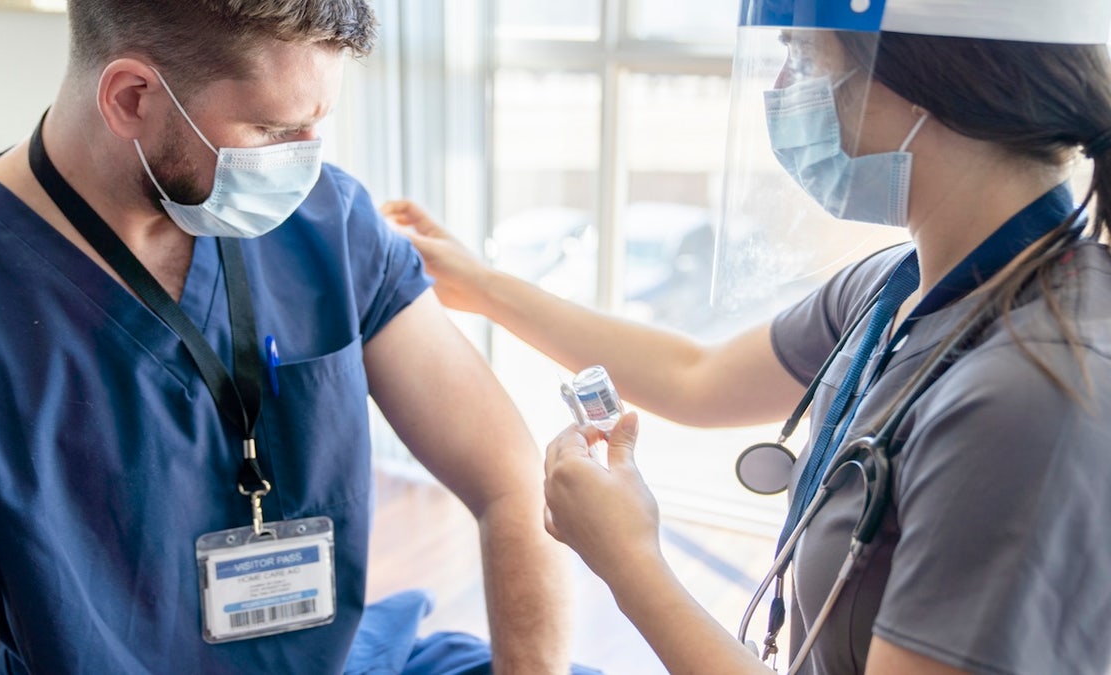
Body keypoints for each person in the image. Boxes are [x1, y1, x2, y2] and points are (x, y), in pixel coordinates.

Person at [382, 0, 1111, 672]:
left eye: (805, 55)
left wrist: (630, 561)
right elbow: (693, 374)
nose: (788, 85)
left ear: (920, 75)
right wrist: (479, 285)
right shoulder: (899, 286)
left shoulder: (1030, 396)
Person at [0, 1, 586, 673]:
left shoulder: (331, 224)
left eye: (317, 125)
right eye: (273, 129)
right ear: (131, 97)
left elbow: (513, 483)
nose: (305, 162)